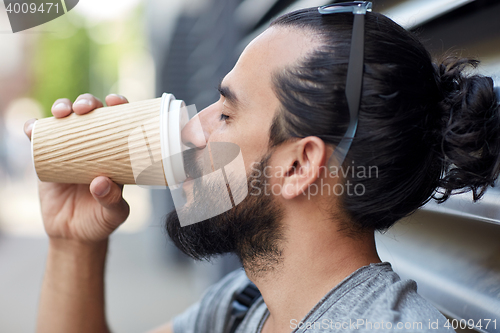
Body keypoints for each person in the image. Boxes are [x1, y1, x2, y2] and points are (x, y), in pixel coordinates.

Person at [24, 3, 500, 333]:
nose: (193, 130)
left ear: (298, 166)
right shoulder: (242, 306)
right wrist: (73, 241)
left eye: (226, 114)